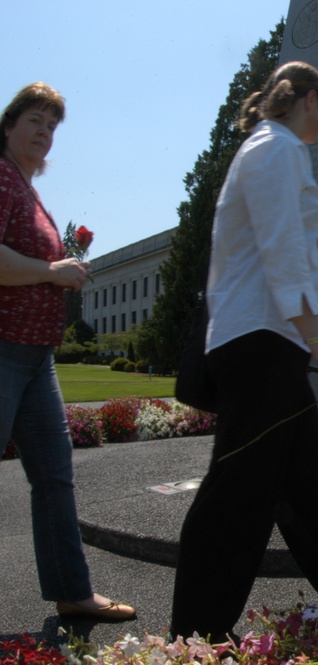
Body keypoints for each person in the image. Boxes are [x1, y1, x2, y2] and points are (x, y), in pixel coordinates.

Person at [171, 63, 318, 639]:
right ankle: (191, 640)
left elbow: (284, 254)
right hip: (258, 343)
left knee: (307, 493)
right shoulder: (275, 149)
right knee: (238, 495)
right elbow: (282, 251)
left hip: (268, 341)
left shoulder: (273, 149)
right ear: (304, 98)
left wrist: (312, 341)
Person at [0, 82, 136, 623]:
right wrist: (52, 271)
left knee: (55, 478)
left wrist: (63, 273)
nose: (43, 133)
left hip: (36, 359)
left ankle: (72, 591)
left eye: (52, 126)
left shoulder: (28, 191)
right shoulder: (2, 179)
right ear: (9, 126)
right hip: (4, 350)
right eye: (34, 120)